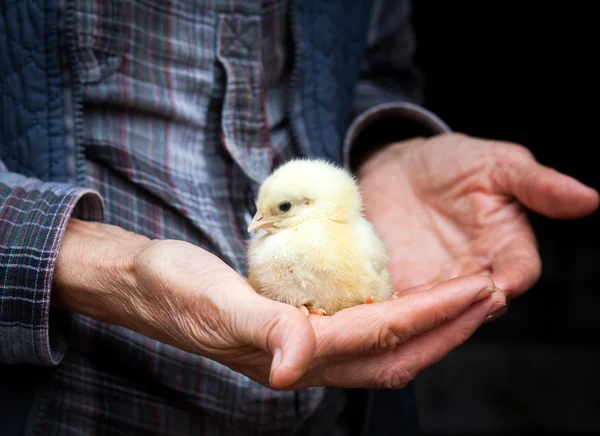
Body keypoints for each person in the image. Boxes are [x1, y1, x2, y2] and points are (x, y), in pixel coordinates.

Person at [0, 0, 597, 435]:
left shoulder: (342, 232)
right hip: (72, 404)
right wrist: (87, 260)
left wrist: (387, 145)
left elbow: (374, 66)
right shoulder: (300, 226)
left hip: (337, 417)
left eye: (276, 211)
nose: (257, 223)